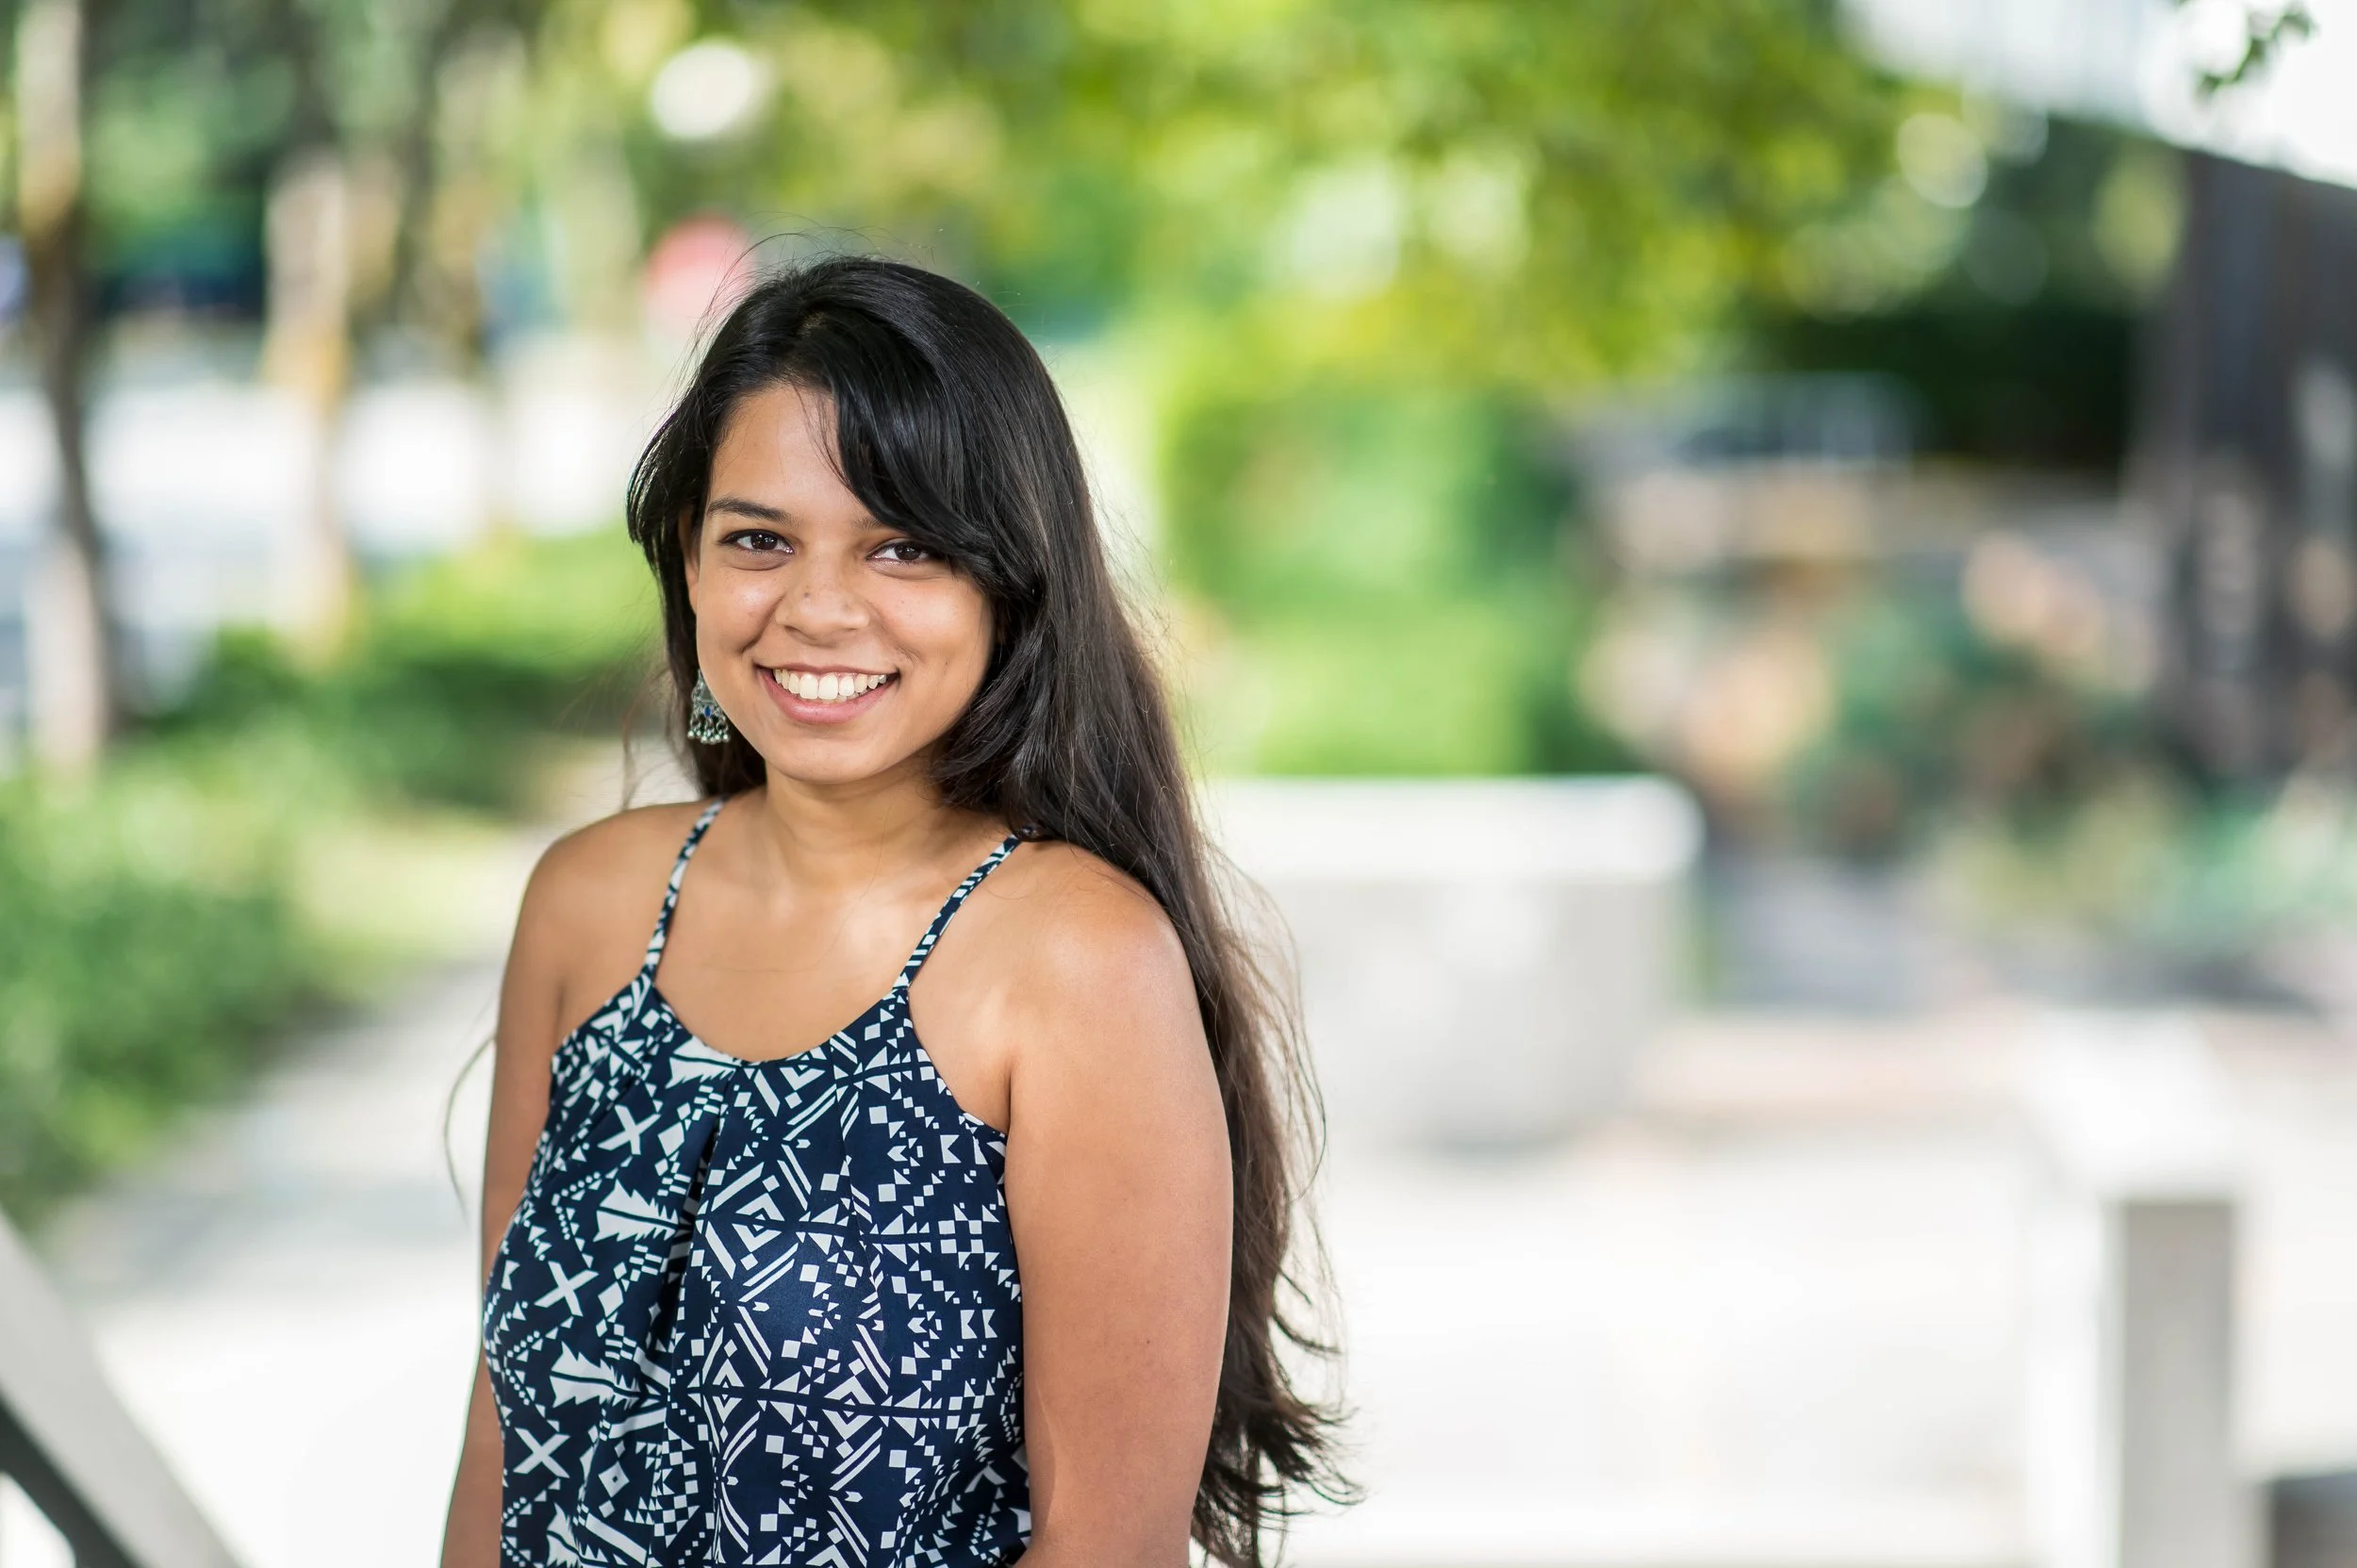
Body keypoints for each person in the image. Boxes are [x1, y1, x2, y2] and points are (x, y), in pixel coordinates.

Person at [439, 256, 1343, 1568]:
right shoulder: (593, 903)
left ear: (1009, 585)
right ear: (685, 561)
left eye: (903, 546)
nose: (817, 607)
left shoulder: (1073, 960)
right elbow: (500, 1443)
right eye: (758, 538)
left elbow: (1107, 1550)